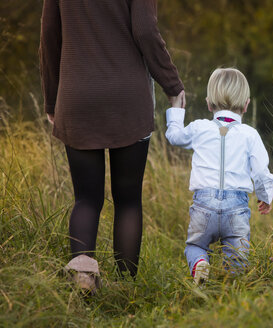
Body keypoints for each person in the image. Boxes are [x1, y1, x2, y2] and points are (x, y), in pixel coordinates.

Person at [39, 0, 184, 293]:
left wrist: (52, 98)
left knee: (86, 199)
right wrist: (172, 85)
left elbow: (49, 35)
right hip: (128, 100)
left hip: (78, 97)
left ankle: (83, 274)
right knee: (128, 200)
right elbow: (145, 30)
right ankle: (125, 287)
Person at [165, 68, 273, 284]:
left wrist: (176, 110)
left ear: (208, 103)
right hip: (237, 208)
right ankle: (230, 287)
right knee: (237, 255)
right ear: (246, 104)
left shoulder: (199, 128)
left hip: (203, 205)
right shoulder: (250, 135)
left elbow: (174, 136)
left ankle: (199, 265)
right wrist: (265, 196)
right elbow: (261, 171)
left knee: (196, 246)